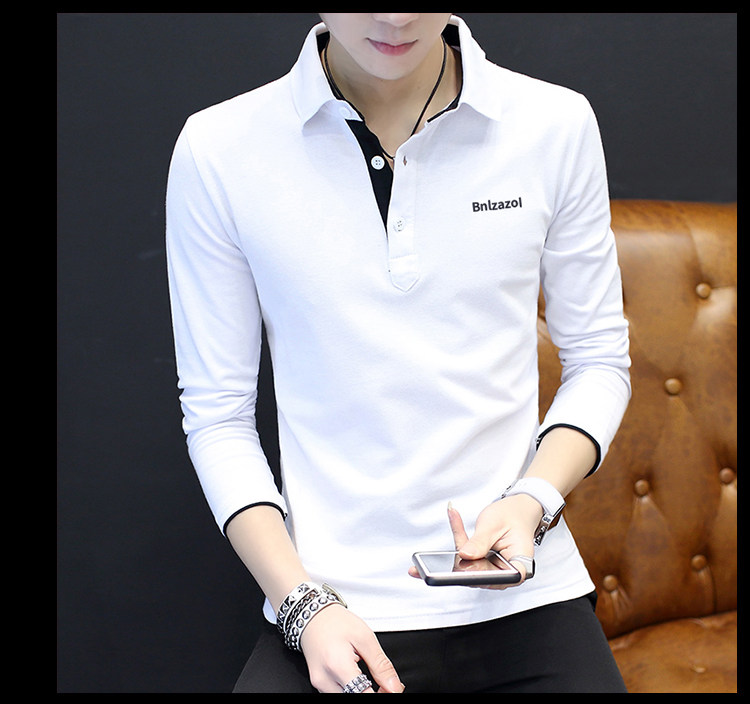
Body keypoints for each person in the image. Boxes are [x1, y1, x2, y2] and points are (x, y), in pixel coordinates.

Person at [166, 13, 631, 693]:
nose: (395, 17)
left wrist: (532, 500)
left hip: (525, 596)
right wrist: (303, 605)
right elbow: (217, 416)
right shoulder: (219, 148)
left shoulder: (554, 124)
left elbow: (598, 360)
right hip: (330, 608)